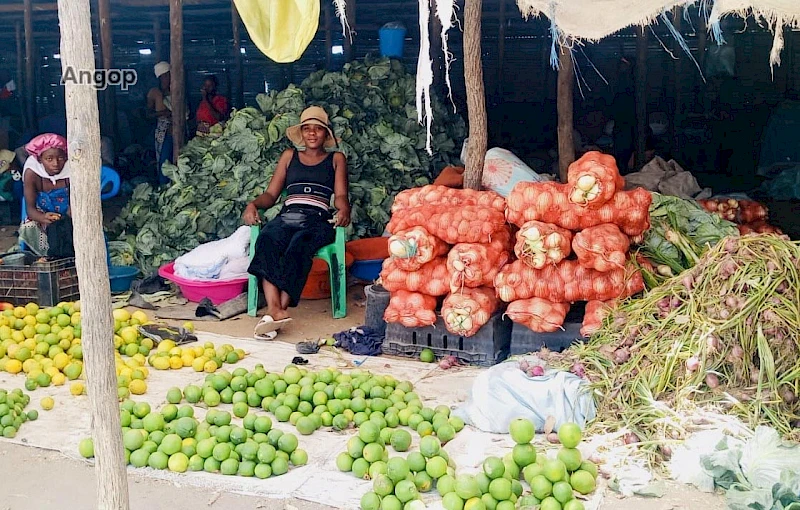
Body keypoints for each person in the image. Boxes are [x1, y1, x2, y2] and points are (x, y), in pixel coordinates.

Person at [243, 106, 351, 339]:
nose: (312, 134)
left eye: (318, 129)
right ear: (301, 133)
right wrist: (253, 204)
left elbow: (341, 195)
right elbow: (271, 195)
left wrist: (343, 210)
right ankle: (275, 310)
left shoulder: (336, 159)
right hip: (287, 216)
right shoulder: (289, 156)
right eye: (307, 129)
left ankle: (275, 313)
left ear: (326, 134)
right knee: (267, 240)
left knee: (298, 248)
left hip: (317, 219)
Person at [18, 133, 74, 258]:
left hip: (70, 215)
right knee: (29, 228)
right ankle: (46, 258)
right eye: (49, 159)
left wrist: (66, 219)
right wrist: (44, 218)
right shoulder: (32, 173)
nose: (55, 163)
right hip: (43, 215)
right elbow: (30, 209)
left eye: (60, 158)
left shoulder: (72, 171)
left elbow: (76, 203)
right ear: (39, 159)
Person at [146, 61, 173, 184]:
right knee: (164, 160)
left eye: (169, 75)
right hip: (164, 131)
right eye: (166, 76)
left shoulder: (177, 91)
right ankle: (163, 187)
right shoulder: (155, 93)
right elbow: (148, 114)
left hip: (179, 129)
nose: (168, 78)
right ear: (161, 77)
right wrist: (164, 113)